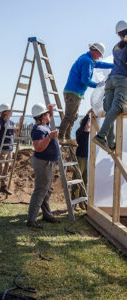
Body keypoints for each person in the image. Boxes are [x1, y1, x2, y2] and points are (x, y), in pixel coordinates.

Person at [58, 43, 114, 146]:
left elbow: (99, 64)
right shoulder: (87, 61)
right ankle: (61, 137)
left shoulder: (87, 58)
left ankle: (68, 137)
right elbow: (85, 80)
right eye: (99, 55)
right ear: (95, 51)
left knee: (73, 116)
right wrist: (97, 85)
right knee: (69, 116)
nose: (99, 57)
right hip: (73, 92)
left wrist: (114, 65)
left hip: (74, 92)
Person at [93, 20, 127, 152]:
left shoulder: (116, 47)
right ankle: (101, 135)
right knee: (117, 107)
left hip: (111, 80)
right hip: (121, 80)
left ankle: (111, 142)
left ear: (118, 34)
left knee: (109, 108)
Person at [27, 103, 60, 228]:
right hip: (43, 163)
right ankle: (31, 220)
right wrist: (49, 137)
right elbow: (39, 148)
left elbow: (49, 118)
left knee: (46, 190)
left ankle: (46, 214)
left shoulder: (44, 125)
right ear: (41, 117)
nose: (49, 116)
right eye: (46, 114)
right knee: (40, 190)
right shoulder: (38, 130)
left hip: (48, 162)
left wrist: (51, 110)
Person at [0, 103, 23, 197]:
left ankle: (3, 187)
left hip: (10, 150)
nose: (12, 111)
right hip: (2, 149)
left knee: (6, 169)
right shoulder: (0, 123)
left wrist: (20, 122)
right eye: (10, 110)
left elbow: (17, 132)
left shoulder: (11, 123)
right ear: (5, 112)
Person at [71, 109, 92, 209]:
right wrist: (88, 113)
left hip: (88, 159)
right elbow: (84, 124)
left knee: (85, 181)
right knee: (76, 180)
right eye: (88, 121)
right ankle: (74, 202)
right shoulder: (79, 132)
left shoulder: (91, 134)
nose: (90, 122)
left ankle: (82, 202)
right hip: (79, 158)